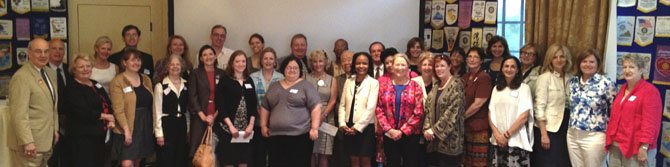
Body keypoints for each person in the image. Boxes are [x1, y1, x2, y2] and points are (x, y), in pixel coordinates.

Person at [260, 57, 321, 167]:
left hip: (300, 137)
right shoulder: (274, 86)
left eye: (295, 68)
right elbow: (265, 107)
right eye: (289, 67)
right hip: (276, 137)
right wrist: (263, 125)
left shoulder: (306, 86)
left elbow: (316, 107)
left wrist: (314, 128)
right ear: (283, 69)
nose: (292, 70)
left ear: (300, 70)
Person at [7, 38, 59, 167]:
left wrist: (55, 129)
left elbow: (52, 106)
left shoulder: (49, 73)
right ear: (29, 53)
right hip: (30, 145)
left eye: (46, 51)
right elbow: (19, 114)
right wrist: (27, 141)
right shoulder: (22, 77)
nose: (43, 55)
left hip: (46, 140)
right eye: (38, 51)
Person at [606, 54, 662, 167]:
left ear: (641, 70)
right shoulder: (622, 88)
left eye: (631, 67)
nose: (627, 70)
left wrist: (644, 147)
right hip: (616, 146)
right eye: (624, 67)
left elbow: (651, 123)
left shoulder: (650, 91)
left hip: (636, 148)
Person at [63, 53, 115, 167]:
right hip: (82, 139)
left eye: (88, 66)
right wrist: (105, 117)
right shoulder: (72, 88)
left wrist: (111, 119)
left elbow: (107, 103)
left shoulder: (96, 84)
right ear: (74, 70)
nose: (85, 69)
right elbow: (81, 112)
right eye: (81, 67)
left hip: (100, 136)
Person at [567, 49, 615, 167]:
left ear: (598, 64)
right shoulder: (573, 82)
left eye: (591, 62)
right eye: (584, 61)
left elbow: (614, 110)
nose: (588, 64)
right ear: (579, 63)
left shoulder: (606, 83)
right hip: (573, 134)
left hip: (595, 136)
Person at [375, 54, 424, 167]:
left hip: (410, 135)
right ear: (392, 66)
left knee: (410, 163)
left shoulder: (415, 86)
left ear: (408, 67)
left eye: (403, 64)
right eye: (397, 64)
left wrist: (402, 131)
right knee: (392, 163)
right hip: (390, 134)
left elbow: (419, 112)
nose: (400, 67)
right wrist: (390, 130)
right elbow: (379, 109)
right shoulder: (384, 87)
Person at [109, 49, 155, 167]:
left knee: (138, 160)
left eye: (138, 60)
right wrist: (126, 130)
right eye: (132, 60)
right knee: (127, 161)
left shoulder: (146, 79)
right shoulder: (118, 81)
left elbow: (152, 103)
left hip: (144, 124)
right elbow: (118, 109)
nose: (136, 63)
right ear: (124, 63)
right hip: (127, 124)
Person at [214, 50, 258, 167]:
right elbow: (220, 106)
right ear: (232, 64)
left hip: (245, 131)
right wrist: (231, 127)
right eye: (237, 61)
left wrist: (251, 125)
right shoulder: (225, 80)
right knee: (228, 161)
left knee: (243, 161)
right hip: (228, 129)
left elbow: (254, 104)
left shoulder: (249, 80)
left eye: (243, 61)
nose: (241, 64)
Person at [532, 44, 572, 167]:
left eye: (562, 57)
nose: (559, 60)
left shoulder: (572, 78)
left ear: (567, 59)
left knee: (564, 162)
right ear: (550, 59)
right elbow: (539, 107)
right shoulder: (545, 78)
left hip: (567, 127)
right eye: (555, 57)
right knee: (549, 163)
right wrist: (544, 134)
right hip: (548, 128)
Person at [489, 56, 534, 167]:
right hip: (498, 140)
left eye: (512, 67)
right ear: (502, 69)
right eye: (506, 66)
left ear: (517, 70)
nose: (509, 69)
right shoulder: (496, 88)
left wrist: (506, 136)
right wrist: (497, 134)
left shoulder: (524, 88)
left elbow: (524, 116)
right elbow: (490, 112)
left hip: (516, 140)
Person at [423, 55, 465, 167]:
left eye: (442, 65)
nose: (439, 69)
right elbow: (428, 108)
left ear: (449, 66)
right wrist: (427, 128)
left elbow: (452, 112)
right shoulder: (436, 85)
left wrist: (435, 130)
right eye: (437, 66)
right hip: (432, 140)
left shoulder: (457, 84)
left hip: (450, 139)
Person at [338, 52, 378, 167]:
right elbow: (342, 105)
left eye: (364, 63)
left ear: (369, 65)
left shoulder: (373, 83)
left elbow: (371, 108)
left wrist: (357, 127)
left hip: (365, 128)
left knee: (365, 161)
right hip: (348, 126)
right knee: (353, 160)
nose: (361, 66)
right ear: (354, 65)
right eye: (358, 63)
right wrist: (342, 123)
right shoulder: (349, 81)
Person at [187, 45, 225, 163]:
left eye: (210, 54)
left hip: (218, 118)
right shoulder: (195, 73)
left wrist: (214, 116)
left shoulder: (222, 73)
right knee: (199, 153)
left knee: (216, 152)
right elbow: (192, 97)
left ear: (215, 56)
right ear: (201, 58)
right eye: (205, 55)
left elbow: (224, 98)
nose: (208, 57)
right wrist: (203, 116)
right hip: (200, 118)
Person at [249, 47, 283, 167]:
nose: (268, 61)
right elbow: (250, 99)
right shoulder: (252, 77)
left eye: (271, 59)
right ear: (261, 61)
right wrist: (260, 113)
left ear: (275, 61)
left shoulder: (281, 78)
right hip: (257, 123)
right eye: (265, 58)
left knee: (275, 155)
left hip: (275, 123)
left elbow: (283, 101)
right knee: (259, 155)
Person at [153, 55, 189, 167]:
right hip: (167, 124)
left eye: (178, 64)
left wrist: (188, 128)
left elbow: (187, 109)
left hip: (181, 124)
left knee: (181, 157)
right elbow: (156, 111)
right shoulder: (160, 86)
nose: (175, 67)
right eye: (172, 64)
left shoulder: (186, 84)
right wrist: (159, 134)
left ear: (182, 66)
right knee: (166, 158)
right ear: (167, 67)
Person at [306, 49, 339, 167]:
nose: (318, 64)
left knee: (324, 153)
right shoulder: (305, 78)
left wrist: (323, 116)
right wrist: (313, 118)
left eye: (320, 61)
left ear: (325, 62)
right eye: (315, 61)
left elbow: (333, 100)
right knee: (310, 152)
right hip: (308, 118)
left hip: (327, 118)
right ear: (311, 63)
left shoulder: (332, 79)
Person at [461, 47, 492, 167]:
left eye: (475, 57)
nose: (472, 59)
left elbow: (478, 104)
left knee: (478, 163)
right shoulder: (465, 76)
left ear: (481, 60)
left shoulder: (484, 77)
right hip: (465, 127)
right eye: (469, 56)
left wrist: (461, 117)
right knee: (466, 161)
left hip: (478, 128)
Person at [48, 38, 71, 167]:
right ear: (48, 51)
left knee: (68, 158)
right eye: (54, 48)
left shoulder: (71, 71)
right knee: (52, 160)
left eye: (61, 49)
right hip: (50, 123)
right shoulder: (41, 71)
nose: (58, 52)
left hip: (70, 123)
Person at [333, 50, 354, 167]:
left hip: (359, 125)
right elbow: (335, 101)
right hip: (341, 125)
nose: (347, 62)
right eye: (343, 60)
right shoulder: (336, 79)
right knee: (342, 156)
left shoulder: (365, 79)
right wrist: (343, 120)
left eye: (349, 59)